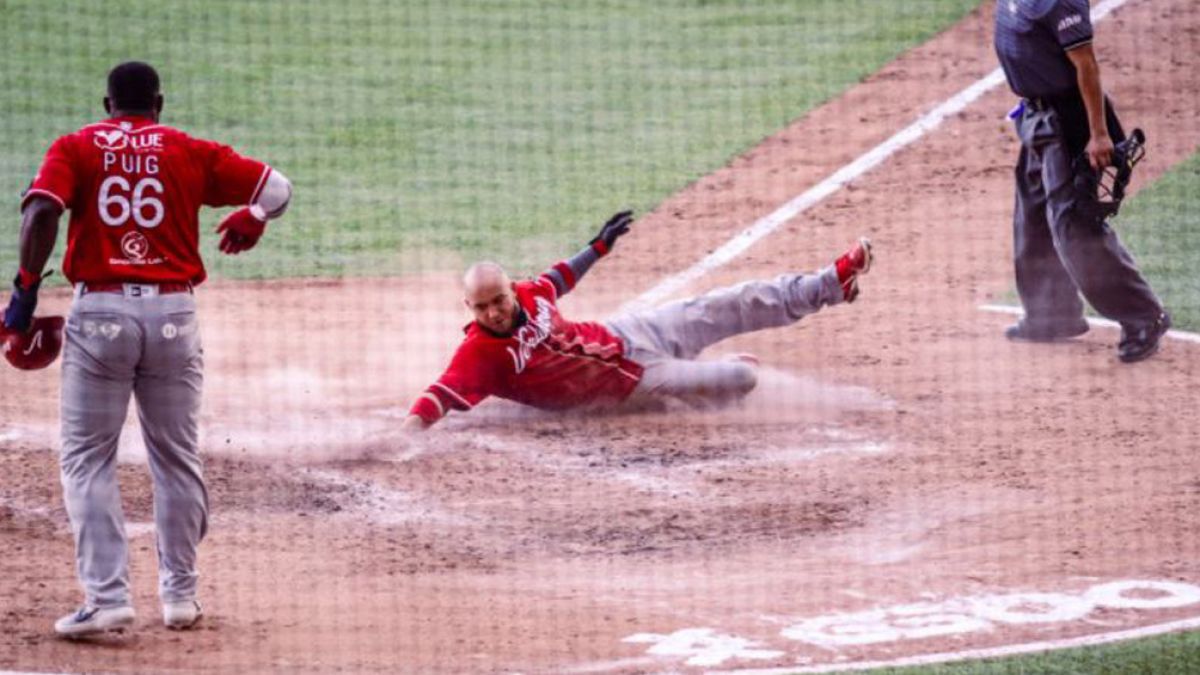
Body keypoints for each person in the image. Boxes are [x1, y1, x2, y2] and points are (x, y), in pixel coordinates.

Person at [2, 62, 293, 637]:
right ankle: (181, 596)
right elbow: (278, 189)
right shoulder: (188, 149)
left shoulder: (76, 146)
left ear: (107, 103)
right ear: (158, 103)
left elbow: (41, 211)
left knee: (88, 460)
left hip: (102, 315)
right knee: (177, 459)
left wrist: (23, 297)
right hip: (174, 316)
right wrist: (253, 219)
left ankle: (108, 598)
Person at [402, 211, 872, 430]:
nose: (493, 312)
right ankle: (712, 377)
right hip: (636, 383)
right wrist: (396, 440)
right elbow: (435, 398)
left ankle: (832, 283)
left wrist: (598, 246)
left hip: (628, 333)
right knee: (742, 376)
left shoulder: (528, 292)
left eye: (498, 300)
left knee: (728, 302)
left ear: (509, 290)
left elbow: (559, 278)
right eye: (482, 307)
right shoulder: (479, 353)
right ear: (470, 309)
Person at [994, 0, 1169, 362]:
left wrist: (1099, 135)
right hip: (1036, 116)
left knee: (1075, 227)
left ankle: (1144, 317)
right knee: (1032, 215)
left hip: (1067, 121)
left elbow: (1086, 64)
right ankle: (1052, 314)